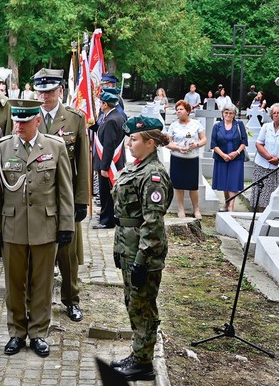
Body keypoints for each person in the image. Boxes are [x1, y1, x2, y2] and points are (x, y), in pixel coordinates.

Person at [0, 98, 75, 358]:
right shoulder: (2, 148)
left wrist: (66, 225)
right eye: (16, 120)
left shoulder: (55, 146)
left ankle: (38, 333)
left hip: (45, 226)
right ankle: (16, 332)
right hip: (12, 225)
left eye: (25, 121)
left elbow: (64, 189)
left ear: (38, 120)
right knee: (14, 284)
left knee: (42, 283)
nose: (19, 125)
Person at [110, 115, 173, 382]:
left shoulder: (153, 175)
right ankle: (139, 354)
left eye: (134, 139)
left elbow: (152, 222)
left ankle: (144, 363)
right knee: (133, 302)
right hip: (128, 245)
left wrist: (141, 259)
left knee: (143, 305)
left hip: (142, 251)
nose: (129, 144)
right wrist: (118, 247)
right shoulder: (137, 167)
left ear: (149, 142)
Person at [33, 68, 89, 322]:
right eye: (41, 91)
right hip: (37, 197)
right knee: (38, 252)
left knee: (68, 254)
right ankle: (36, 301)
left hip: (65, 197)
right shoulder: (28, 116)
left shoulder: (75, 119)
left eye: (50, 91)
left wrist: (81, 200)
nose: (45, 96)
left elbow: (84, 164)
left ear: (60, 91)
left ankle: (71, 299)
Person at [166, 100, 207, 218]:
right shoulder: (174, 125)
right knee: (178, 185)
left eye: (181, 109)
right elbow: (168, 142)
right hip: (177, 158)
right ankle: (181, 209)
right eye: (177, 110)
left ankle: (196, 209)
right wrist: (178, 148)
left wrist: (197, 145)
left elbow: (204, 139)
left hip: (192, 158)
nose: (178, 111)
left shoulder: (196, 124)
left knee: (193, 186)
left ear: (188, 111)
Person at [93, 91, 127, 229]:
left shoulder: (112, 120)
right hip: (111, 161)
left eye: (100, 103)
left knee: (106, 192)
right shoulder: (113, 116)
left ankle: (107, 220)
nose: (99, 106)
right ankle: (106, 216)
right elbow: (102, 132)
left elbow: (109, 144)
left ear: (105, 104)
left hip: (109, 162)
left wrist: (104, 167)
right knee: (108, 192)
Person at [210, 103, 247, 212]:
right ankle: (226, 203)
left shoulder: (239, 125)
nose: (228, 115)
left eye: (231, 113)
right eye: (226, 112)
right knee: (224, 182)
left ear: (234, 114)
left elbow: (244, 141)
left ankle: (231, 206)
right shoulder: (217, 126)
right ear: (222, 113)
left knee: (233, 181)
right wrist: (223, 155)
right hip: (221, 157)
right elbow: (213, 143)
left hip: (236, 158)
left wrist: (236, 152)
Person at [251, 103, 279, 209]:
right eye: (274, 113)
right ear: (271, 115)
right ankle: (259, 213)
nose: (276, 115)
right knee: (260, 193)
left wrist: (277, 160)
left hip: (275, 168)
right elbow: (259, 143)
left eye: (278, 113)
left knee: (271, 195)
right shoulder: (266, 127)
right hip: (262, 165)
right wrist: (268, 157)